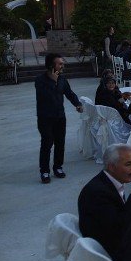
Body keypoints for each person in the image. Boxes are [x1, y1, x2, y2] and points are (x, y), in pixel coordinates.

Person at [77, 143, 131, 261]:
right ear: (111, 167)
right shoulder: (97, 194)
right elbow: (118, 228)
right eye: (128, 164)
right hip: (107, 255)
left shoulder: (110, 182)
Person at [34, 53, 83, 183]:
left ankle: (58, 167)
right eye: (60, 63)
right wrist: (53, 81)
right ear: (51, 65)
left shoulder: (62, 79)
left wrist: (77, 104)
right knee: (47, 143)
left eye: (62, 63)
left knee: (60, 143)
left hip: (60, 117)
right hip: (45, 118)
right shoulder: (40, 80)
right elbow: (45, 95)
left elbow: (69, 94)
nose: (62, 65)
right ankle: (44, 171)